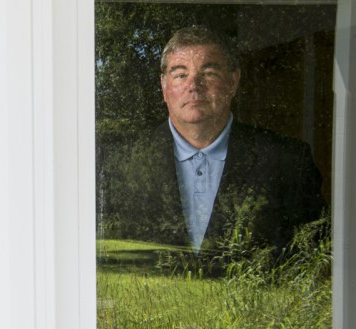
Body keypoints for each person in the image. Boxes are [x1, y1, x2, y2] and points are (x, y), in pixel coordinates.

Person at [107, 25, 325, 256]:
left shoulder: (288, 161)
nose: (193, 86)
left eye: (208, 74)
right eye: (180, 75)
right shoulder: (119, 164)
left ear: (233, 81)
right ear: (164, 86)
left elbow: (317, 259)